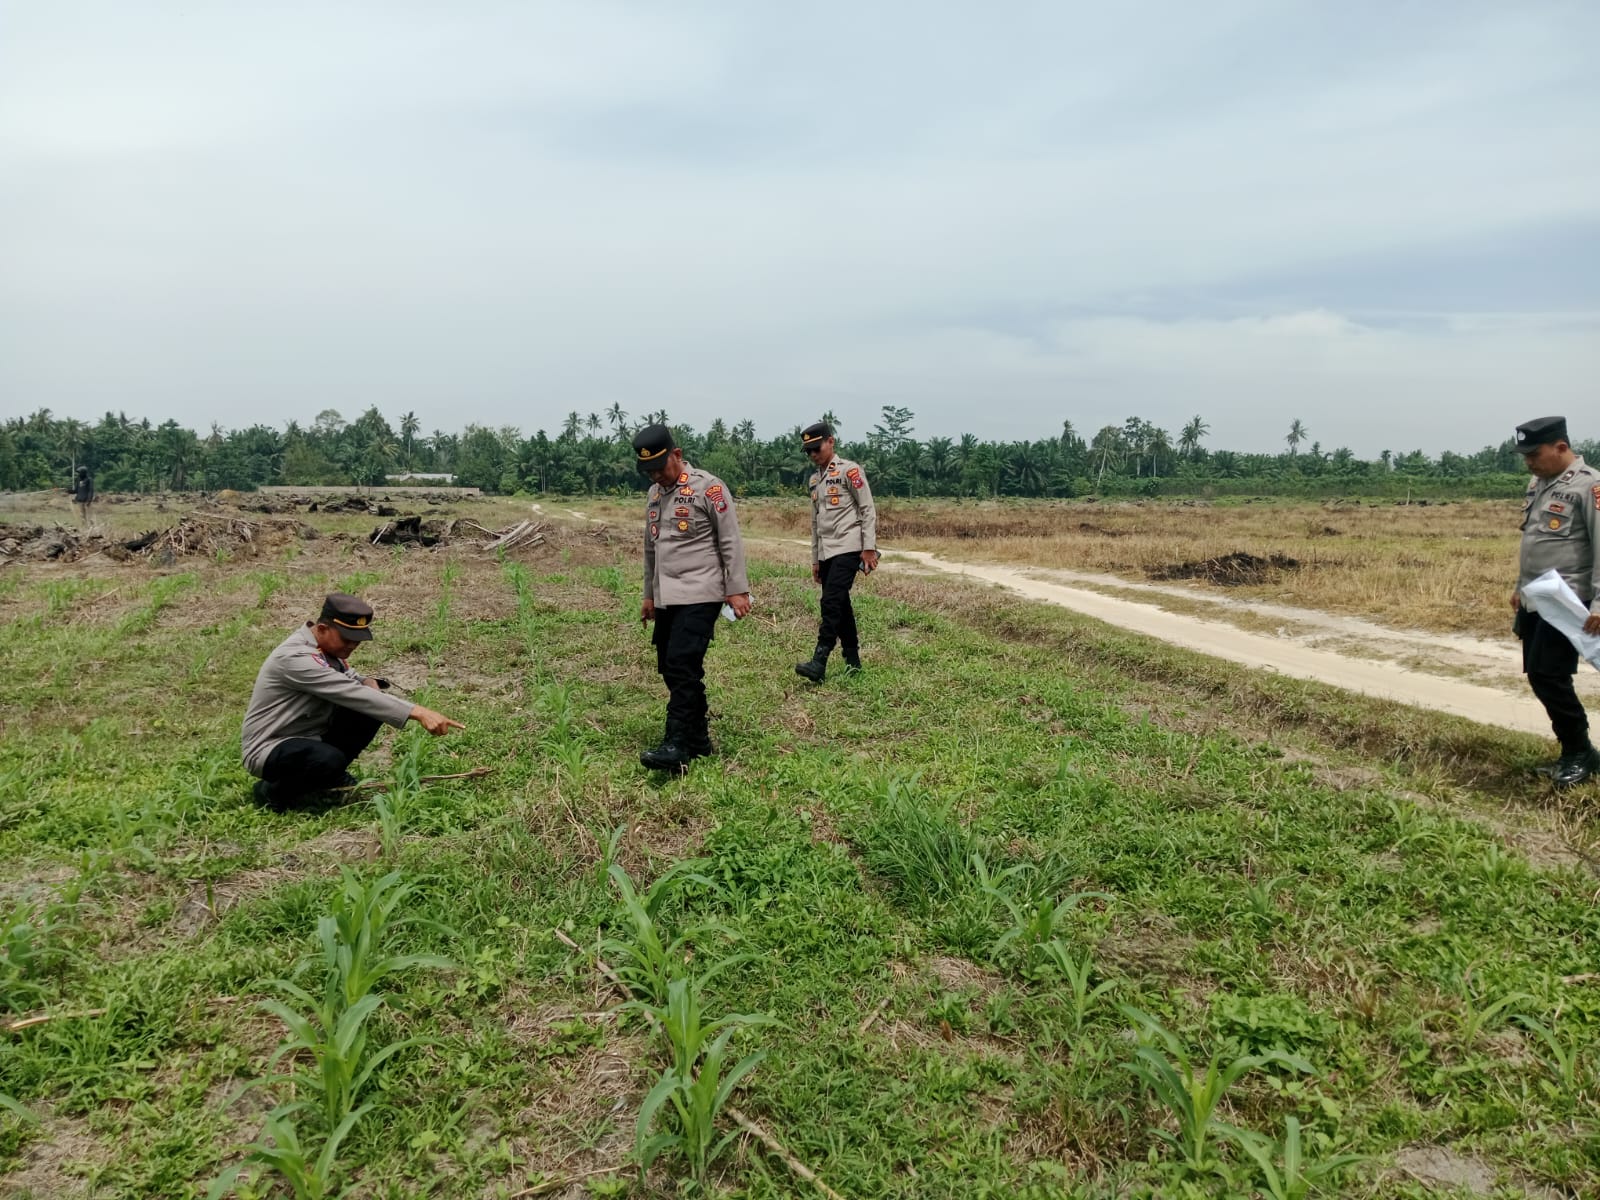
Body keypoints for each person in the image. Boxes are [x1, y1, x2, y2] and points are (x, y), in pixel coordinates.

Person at [242, 593, 464, 808]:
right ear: (322, 629)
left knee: (369, 710)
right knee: (328, 758)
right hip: (272, 746)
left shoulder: (324, 649)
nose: (352, 646)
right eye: (347, 639)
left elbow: (353, 680)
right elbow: (349, 691)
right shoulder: (295, 658)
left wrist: (369, 682)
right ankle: (272, 793)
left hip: (310, 736)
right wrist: (418, 712)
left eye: (357, 640)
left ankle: (324, 778)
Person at [632, 423, 750, 771]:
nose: (655, 476)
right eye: (648, 471)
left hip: (702, 591)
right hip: (667, 595)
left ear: (677, 455)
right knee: (670, 666)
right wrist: (649, 595)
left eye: (660, 467)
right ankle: (699, 738)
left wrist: (737, 589)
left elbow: (730, 540)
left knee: (683, 663)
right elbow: (650, 549)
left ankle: (677, 743)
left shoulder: (708, 488)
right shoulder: (655, 495)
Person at [1512, 416, 1600, 788]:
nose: (1529, 461)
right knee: (1538, 673)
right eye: (1525, 455)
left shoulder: (1590, 486)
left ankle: (1580, 753)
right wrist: (1520, 586)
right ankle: (1574, 749)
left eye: (1535, 453)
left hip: (1568, 599)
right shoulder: (1539, 483)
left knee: (1550, 674)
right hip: (1537, 597)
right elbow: (1534, 540)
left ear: (1561, 447)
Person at [794, 421, 878, 682]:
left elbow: (867, 509)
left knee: (830, 602)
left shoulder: (849, 471)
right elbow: (815, 522)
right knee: (841, 605)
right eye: (807, 451)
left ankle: (819, 660)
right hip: (827, 551)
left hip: (849, 547)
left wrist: (868, 549)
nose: (812, 455)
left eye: (816, 448)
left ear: (831, 442)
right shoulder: (814, 479)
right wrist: (815, 560)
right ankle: (852, 661)